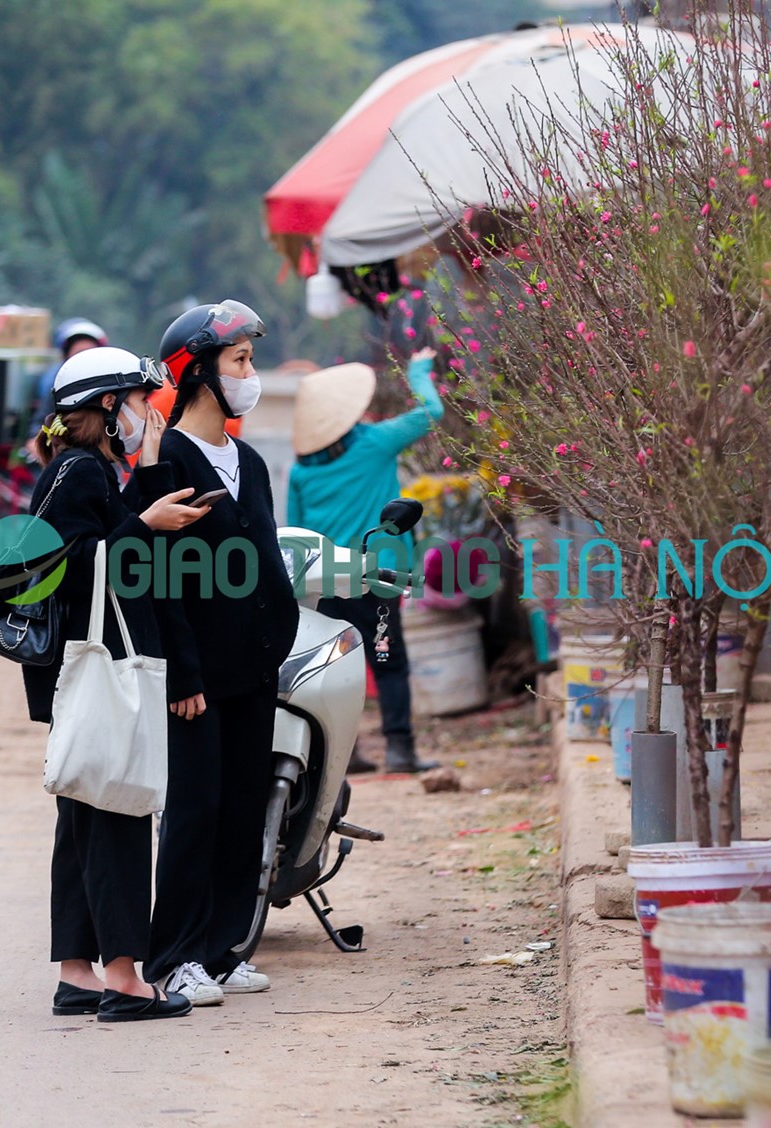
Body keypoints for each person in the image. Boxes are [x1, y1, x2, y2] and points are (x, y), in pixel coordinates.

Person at [25, 345, 208, 1021]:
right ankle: (126, 977)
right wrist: (146, 524)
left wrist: (147, 488)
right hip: (97, 669)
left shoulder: (90, 469)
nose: (144, 414)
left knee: (83, 813)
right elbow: (60, 567)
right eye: (136, 402)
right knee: (118, 815)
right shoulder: (78, 473)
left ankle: (77, 972)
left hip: (86, 671)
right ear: (107, 408)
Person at [143, 300, 299, 1006]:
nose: (249, 373)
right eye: (239, 361)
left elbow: (265, 560)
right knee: (194, 812)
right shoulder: (169, 462)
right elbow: (161, 582)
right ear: (200, 373)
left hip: (254, 669)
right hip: (195, 680)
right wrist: (182, 669)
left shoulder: (251, 463)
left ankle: (225, 948)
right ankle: (175, 955)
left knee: (242, 807)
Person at [287, 348, 444, 774]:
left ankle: (342, 754)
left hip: (325, 580)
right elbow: (433, 410)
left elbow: (296, 530)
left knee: (333, 664)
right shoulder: (375, 442)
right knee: (388, 661)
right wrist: (419, 369)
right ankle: (400, 750)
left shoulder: (302, 472)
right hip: (376, 577)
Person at [27, 318, 109, 445]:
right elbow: (40, 422)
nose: (84, 358)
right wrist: (36, 441)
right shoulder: (58, 388)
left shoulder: (111, 387)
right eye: (78, 353)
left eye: (89, 352)